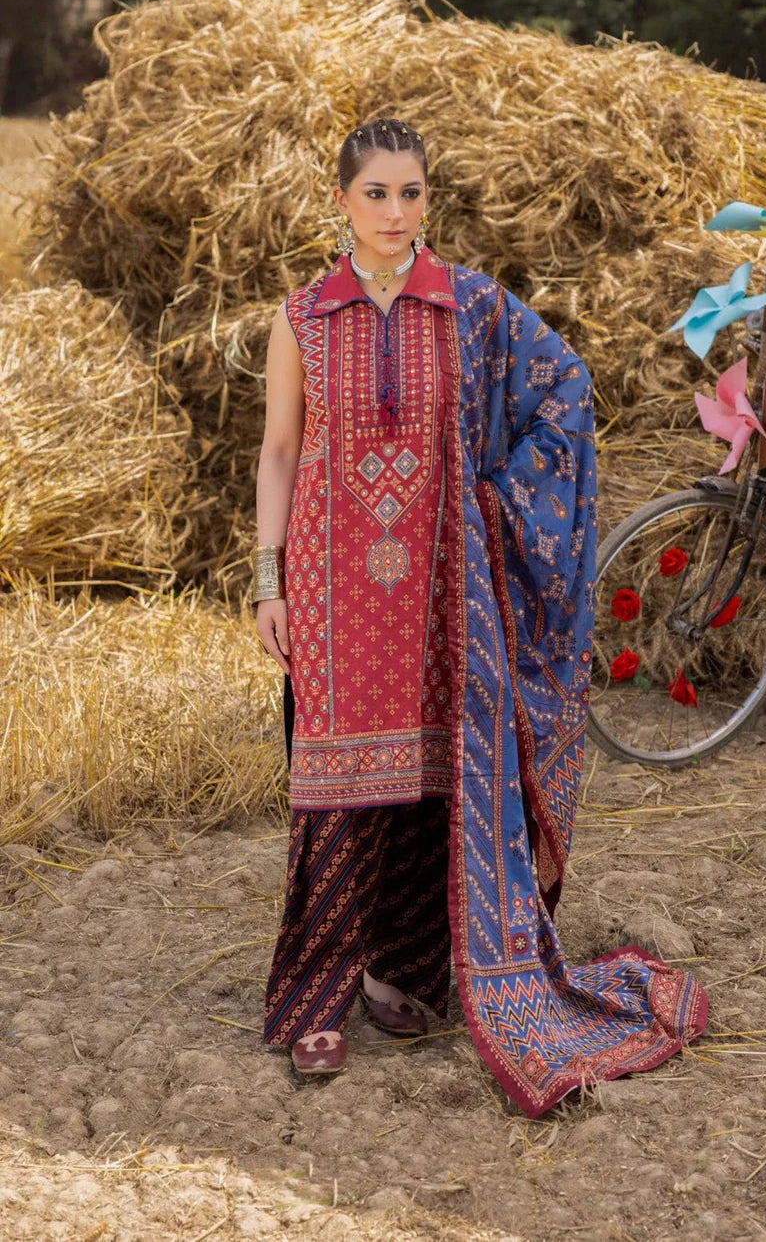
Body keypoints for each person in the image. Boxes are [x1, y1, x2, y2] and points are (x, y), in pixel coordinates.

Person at [253, 117, 707, 1115]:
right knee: (333, 790)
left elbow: (565, 388)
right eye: (375, 192)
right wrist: (266, 579)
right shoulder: (301, 316)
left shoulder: (470, 306)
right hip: (330, 588)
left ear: (428, 197)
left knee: (431, 779)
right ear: (342, 200)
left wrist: (496, 505)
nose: (394, 211)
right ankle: (319, 995)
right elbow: (280, 452)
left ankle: (403, 970)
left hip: (442, 590)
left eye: (410, 192)